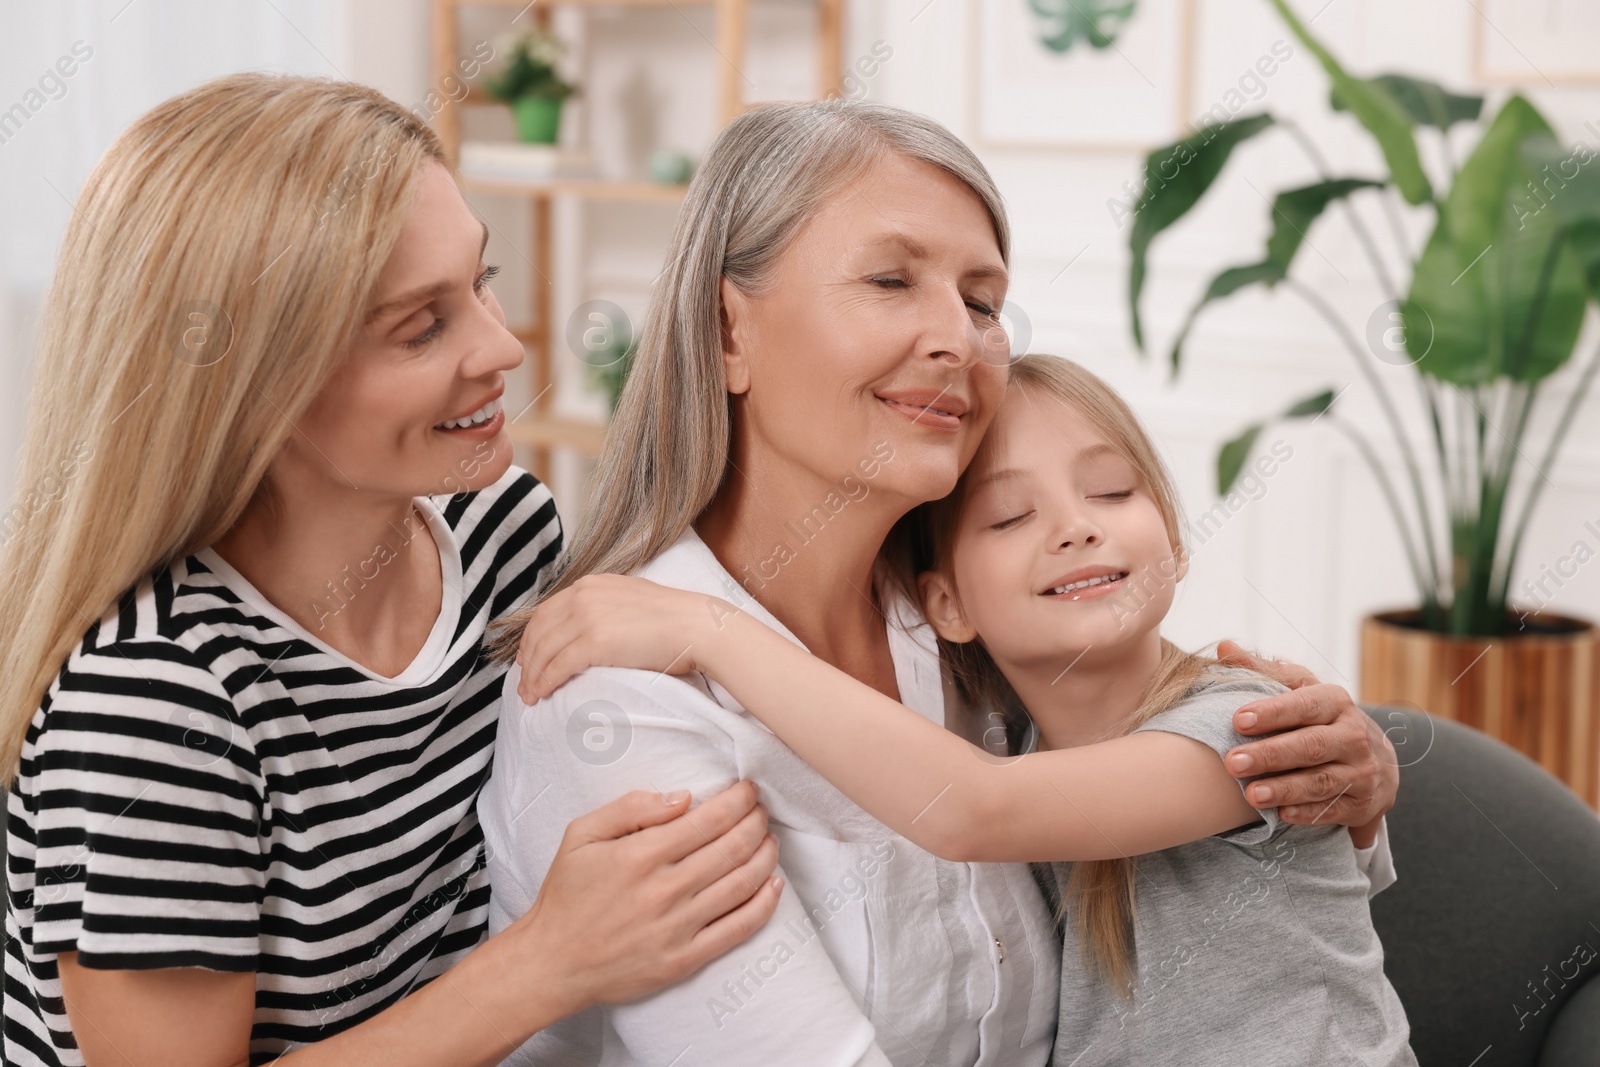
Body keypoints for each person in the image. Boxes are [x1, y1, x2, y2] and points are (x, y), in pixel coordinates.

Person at [480, 99, 1400, 1066]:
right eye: (889, 279)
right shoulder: (622, 702)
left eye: (983, 301)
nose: (957, 338)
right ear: (726, 332)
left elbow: (1130, 799)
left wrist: (1354, 780)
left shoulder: (961, 632)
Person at [0, 73, 781, 1067]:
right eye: (422, 326)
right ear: (251, 389)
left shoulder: (502, 530)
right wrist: (550, 961)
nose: (502, 344)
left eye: (481, 282)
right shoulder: (156, 701)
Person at [515, 353, 1418, 1065]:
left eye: (1112, 491)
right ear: (943, 604)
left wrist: (710, 627)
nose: (1076, 525)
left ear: (1174, 542)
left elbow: (976, 808)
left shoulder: (1241, 724)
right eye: (1010, 517)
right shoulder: (993, 726)